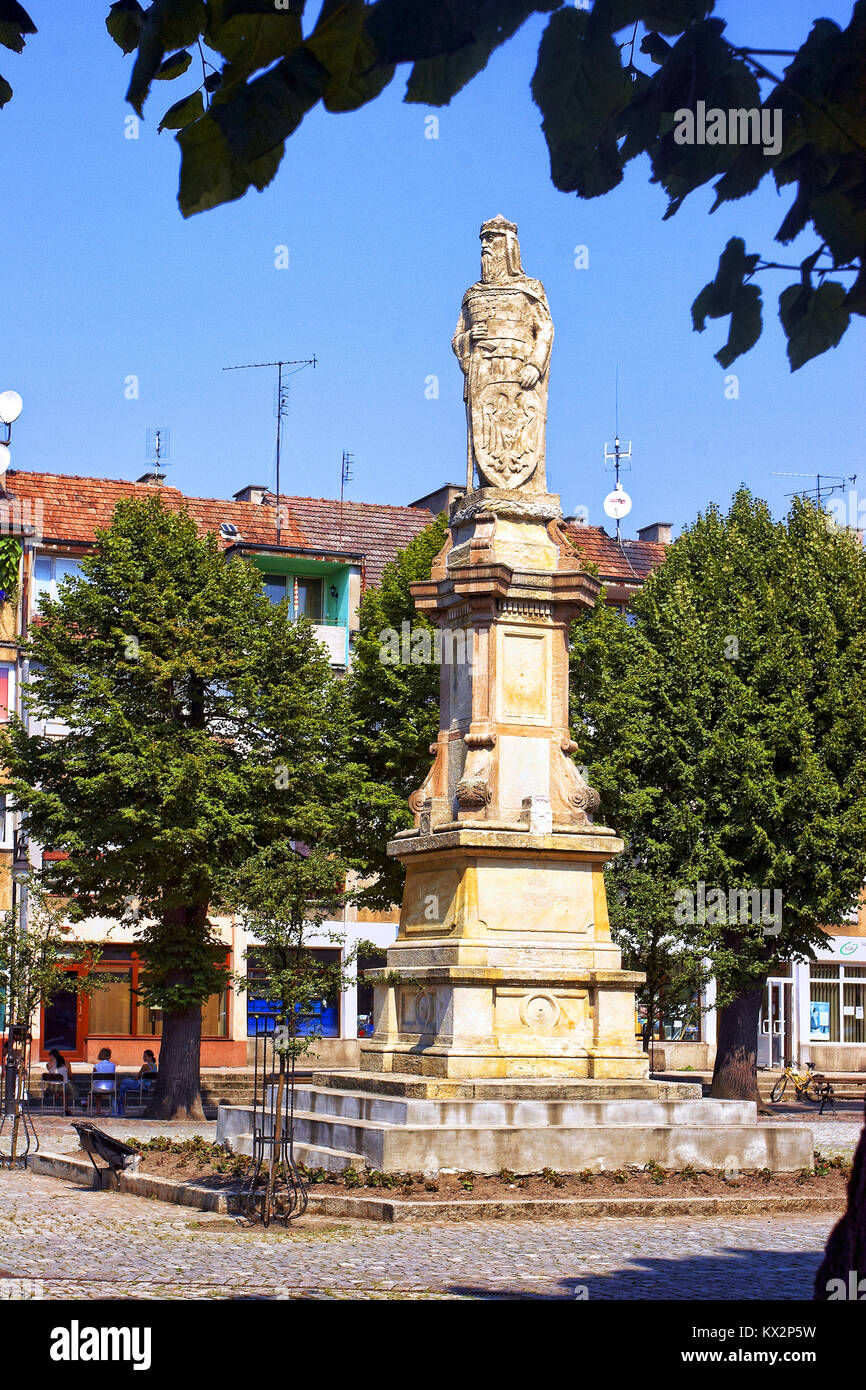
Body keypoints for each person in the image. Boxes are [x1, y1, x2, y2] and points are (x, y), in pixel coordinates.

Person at [90, 1047, 117, 1116]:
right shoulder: (113, 1065)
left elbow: (93, 1077)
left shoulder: (97, 1066)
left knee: (96, 1090)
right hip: (111, 1087)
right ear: (109, 1055)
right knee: (99, 1086)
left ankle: (98, 1110)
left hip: (99, 1087)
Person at [44, 1049, 71, 1113]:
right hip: (62, 1086)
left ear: (52, 1056)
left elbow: (51, 1074)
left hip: (51, 1087)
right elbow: (70, 1075)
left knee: (64, 1089)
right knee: (67, 1090)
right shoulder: (66, 1063)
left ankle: (57, 1095)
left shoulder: (48, 1064)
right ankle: (66, 1109)